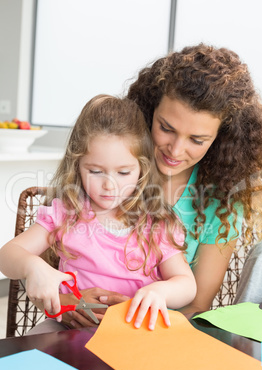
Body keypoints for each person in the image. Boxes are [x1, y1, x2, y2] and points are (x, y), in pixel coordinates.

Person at [57, 43, 262, 329]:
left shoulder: (221, 204)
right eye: (166, 128)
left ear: (222, 139)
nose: (176, 150)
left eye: (197, 139)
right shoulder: (110, 173)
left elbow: (196, 305)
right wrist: (68, 306)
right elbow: (49, 270)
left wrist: (133, 318)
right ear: (149, 110)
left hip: (156, 336)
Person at [0, 95, 196, 333]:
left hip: (135, 332)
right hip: (69, 330)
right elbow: (7, 255)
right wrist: (32, 266)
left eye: (123, 172)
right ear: (77, 166)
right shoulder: (66, 212)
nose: (109, 185)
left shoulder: (156, 222)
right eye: (95, 171)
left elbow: (187, 285)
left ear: (142, 170)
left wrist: (159, 292)